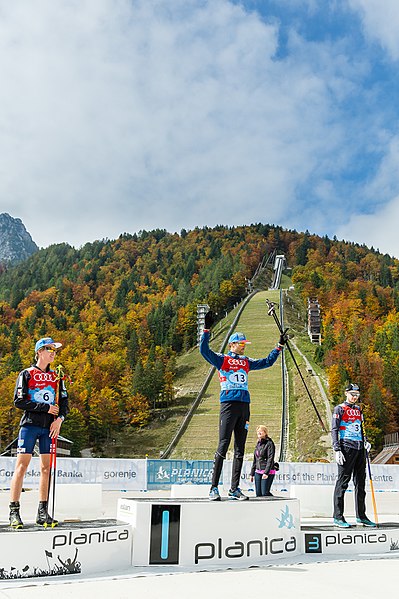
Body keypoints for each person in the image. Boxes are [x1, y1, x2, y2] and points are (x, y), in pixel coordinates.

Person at [200, 311, 286, 501]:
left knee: (240, 449)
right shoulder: (223, 359)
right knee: (223, 445)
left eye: (244, 344)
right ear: (232, 344)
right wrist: (206, 330)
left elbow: (267, 362)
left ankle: (234, 488)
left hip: (244, 406)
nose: (243, 347)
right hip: (228, 405)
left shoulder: (246, 362)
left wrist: (278, 347)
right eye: (241, 344)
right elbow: (204, 351)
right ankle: (213, 488)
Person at [9, 337, 69, 528]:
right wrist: (44, 408)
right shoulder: (26, 373)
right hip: (29, 425)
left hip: (49, 429)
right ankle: (14, 511)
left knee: (46, 469)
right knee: (21, 467)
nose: (53, 353)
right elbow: (18, 401)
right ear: (39, 352)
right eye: (50, 349)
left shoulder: (57, 376)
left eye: (55, 350)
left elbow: (65, 404)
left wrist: (59, 420)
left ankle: (42, 512)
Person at [331, 383, 375, 528]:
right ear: (346, 393)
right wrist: (337, 449)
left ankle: (361, 516)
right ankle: (338, 517)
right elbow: (335, 429)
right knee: (343, 482)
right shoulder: (340, 408)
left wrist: (366, 442)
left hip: (359, 448)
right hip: (346, 447)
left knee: (360, 484)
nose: (355, 397)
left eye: (357, 395)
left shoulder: (358, 410)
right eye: (352, 394)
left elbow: (362, 428)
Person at [250, 425, 276, 497]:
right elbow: (255, 459)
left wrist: (266, 473)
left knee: (265, 493)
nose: (258, 432)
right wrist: (252, 474)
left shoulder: (269, 443)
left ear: (265, 432)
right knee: (258, 494)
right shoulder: (258, 444)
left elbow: (270, 458)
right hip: (258, 471)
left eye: (260, 431)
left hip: (268, 471)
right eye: (257, 431)